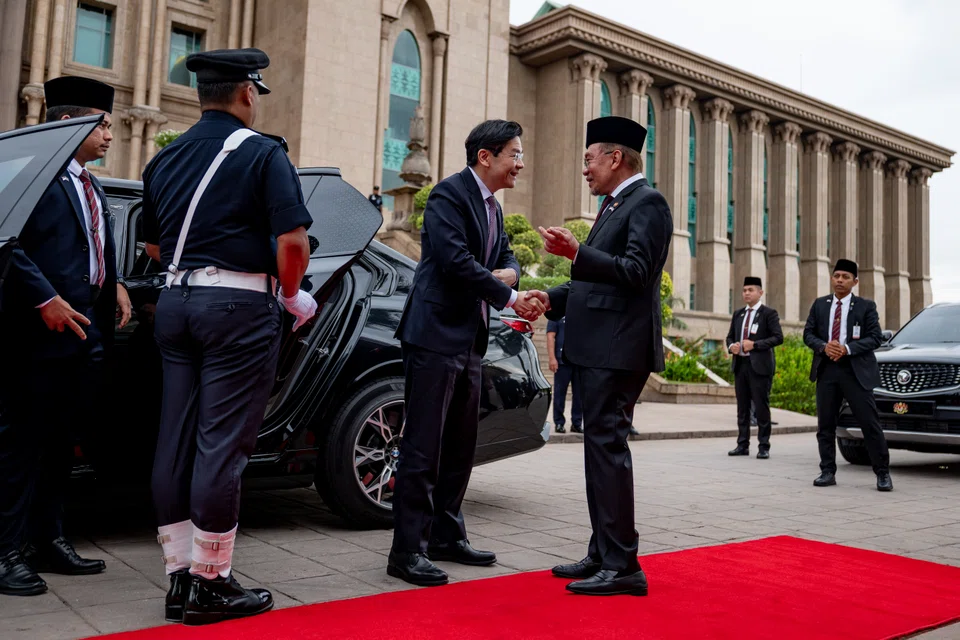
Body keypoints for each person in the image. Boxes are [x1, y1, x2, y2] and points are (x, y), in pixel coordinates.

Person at [141, 48, 316, 625]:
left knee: (176, 441)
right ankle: (211, 583)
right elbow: (293, 242)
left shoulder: (163, 160)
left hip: (174, 302)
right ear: (247, 93)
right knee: (221, 445)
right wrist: (291, 295)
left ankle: (178, 577)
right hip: (238, 308)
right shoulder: (263, 152)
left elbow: (152, 249)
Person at [388, 120, 545, 587]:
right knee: (423, 445)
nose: (520, 163)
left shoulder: (494, 208)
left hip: (470, 339)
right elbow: (456, 263)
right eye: (514, 154)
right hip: (434, 337)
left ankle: (446, 535)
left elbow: (510, 257)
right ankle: (406, 550)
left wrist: (510, 275)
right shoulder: (446, 196)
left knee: (460, 444)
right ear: (486, 156)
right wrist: (511, 296)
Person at [529, 115, 672, 596]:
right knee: (599, 453)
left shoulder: (647, 203)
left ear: (615, 158)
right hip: (598, 348)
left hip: (618, 350)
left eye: (589, 159)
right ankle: (603, 551)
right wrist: (548, 297)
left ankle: (624, 565)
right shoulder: (614, 206)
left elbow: (635, 272)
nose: (585, 169)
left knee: (608, 451)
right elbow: (592, 281)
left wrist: (576, 252)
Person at [0, 76, 131, 597]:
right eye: (102, 125)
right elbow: (5, 241)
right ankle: (7, 551)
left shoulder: (91, 184)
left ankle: (48, 538)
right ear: (66, 123)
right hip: (32, 334)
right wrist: (43, 298)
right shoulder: (30, 176)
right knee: (20, 445)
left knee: (61, 444)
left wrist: (116, 283)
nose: (109, 135)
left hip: (86, 333)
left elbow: (95, 245)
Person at [803, 259, 892, 492]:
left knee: (869, 424)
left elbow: (875, 338)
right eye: (836, 276)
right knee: (825, 425)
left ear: (855, 281)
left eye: (845, 277)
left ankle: (882, 473)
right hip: (827, 369)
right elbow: (808, 334)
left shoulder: (866, 306)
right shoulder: (820, 305)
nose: (840, 280)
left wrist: (847, 349)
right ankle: (827, 471)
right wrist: (824, 346)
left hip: (855, 371)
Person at [725, 277, 783, 458]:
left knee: (761, 407)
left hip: (760, 367)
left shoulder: (769, 313)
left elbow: (777, 338)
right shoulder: (738, 314)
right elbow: (729, 337)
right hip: (741, 365)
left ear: (760, 293)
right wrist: (731, 346)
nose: (747, 293)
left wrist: (755, 345)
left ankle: (764, 446)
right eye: (744, 290)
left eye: (750, 290)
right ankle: (742, 444)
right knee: (742, 408)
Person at [547, 317, 582, 434]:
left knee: (579, 395)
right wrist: (552, 358)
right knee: (559, 393)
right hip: (562, 361)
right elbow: (551, 336)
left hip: (579, 361)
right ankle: (559, 422)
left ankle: (577, 423)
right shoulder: (556, 314)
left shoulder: (580, 313)